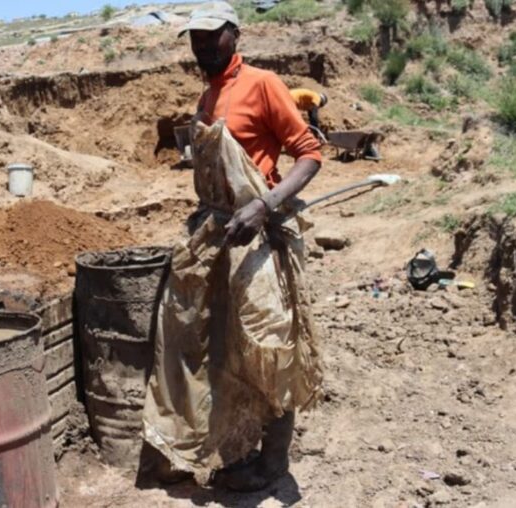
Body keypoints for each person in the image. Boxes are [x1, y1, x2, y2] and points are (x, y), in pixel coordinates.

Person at [142, 1, 323, 493]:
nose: (201, 46)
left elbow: (309, 155)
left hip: (257, 235)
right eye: (194, 39)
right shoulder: (208, 94)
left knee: (267, 346)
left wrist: (264, 206)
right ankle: (231, 449)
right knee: (209, 341)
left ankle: (273, 463)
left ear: (234, 34)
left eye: (210, 37)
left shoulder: (263, 84)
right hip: (216, 233)